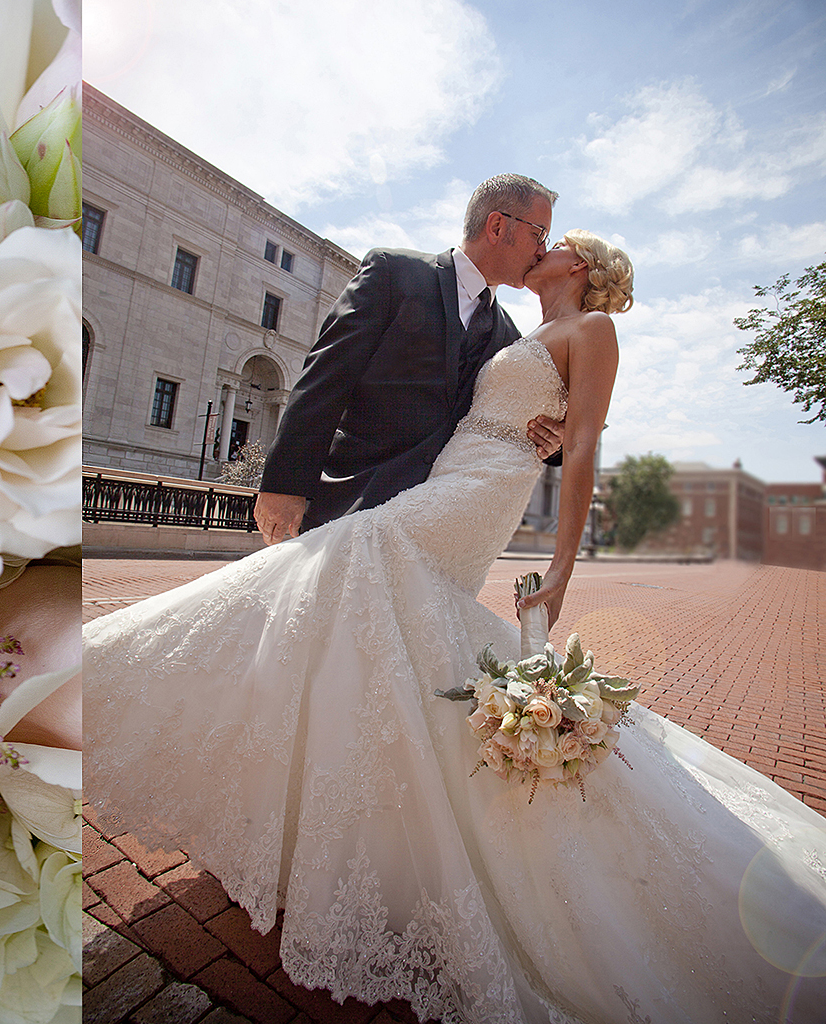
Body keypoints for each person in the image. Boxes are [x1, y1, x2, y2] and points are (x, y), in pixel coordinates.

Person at [84, 230, 826, 1023]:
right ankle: (330, 823)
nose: (542, 245)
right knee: (386, 621)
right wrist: (541, 430)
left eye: (558, 240)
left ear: (580, 265)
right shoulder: (514, 332)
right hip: (451, 474)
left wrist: (565, 563)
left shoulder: (592, 330)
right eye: (537, 232)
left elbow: (580, 447)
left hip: (478, 494)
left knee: (358, 550)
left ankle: (118, 672)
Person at [255, 174, 564, 544]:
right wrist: (284, 483)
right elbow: (325, 378)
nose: (542, 250)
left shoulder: (509, 338)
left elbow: (520, 419)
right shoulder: (392, 273)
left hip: (432, 526)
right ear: (497, 226)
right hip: (349, 505)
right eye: (539, 234)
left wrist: (556, 440)